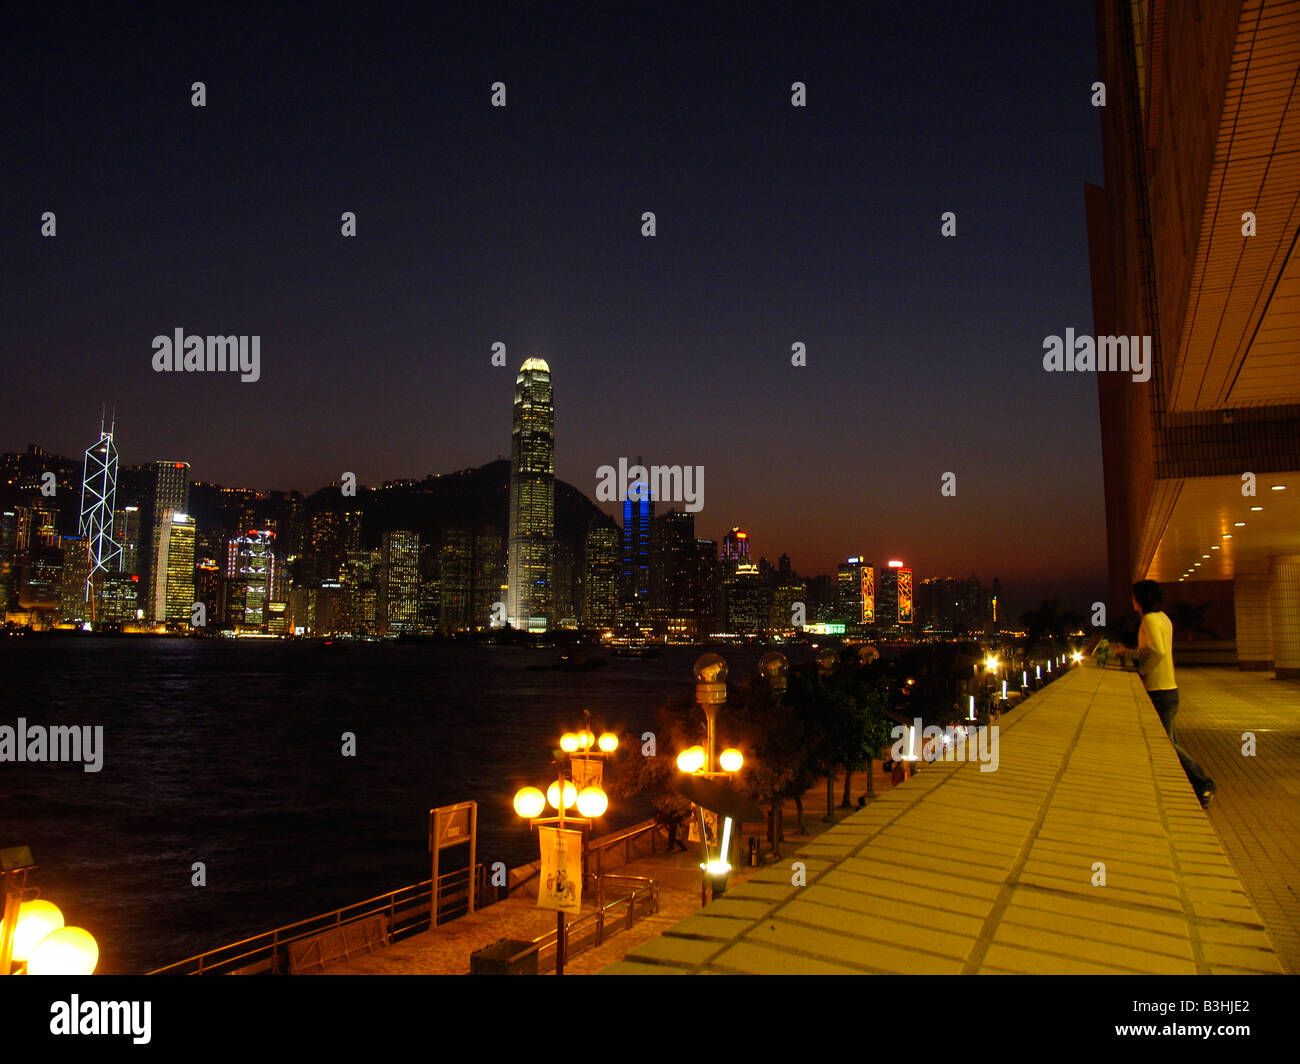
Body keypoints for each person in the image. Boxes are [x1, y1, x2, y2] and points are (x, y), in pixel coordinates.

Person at [1118, 580, 1216, 808]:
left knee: (1168, 743)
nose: (1132, 601)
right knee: (1171, 741)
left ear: (1140, 599)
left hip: (1159, 689)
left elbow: (1156, 650)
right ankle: (1194, 785)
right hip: (1168, 688)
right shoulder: (1163, 618)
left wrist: (1140, 666)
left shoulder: (1150, 620)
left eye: (1133, 597)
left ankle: (1204, 783)